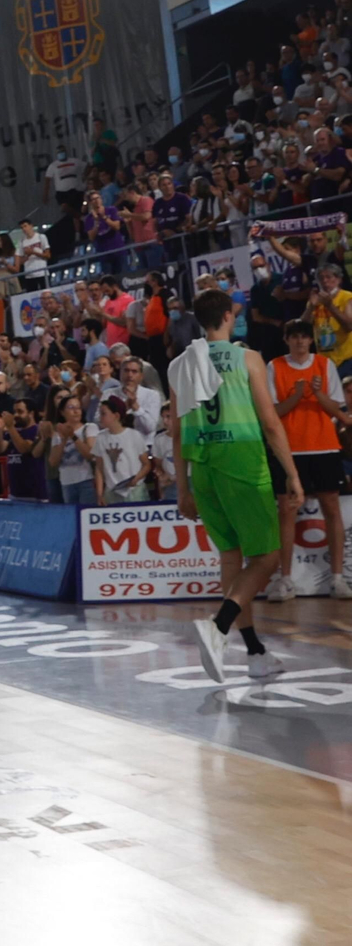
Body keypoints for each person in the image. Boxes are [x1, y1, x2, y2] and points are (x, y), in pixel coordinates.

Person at [173, 288, 303, 685]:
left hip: (203, 468)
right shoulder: (247, 358)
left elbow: (176, 433)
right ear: (229, 316)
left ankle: (255, 653)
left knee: (231, 556)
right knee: (266, 557)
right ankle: (219, 626)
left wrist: (182, 489)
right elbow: (269, 421)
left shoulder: (180, 363)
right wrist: (292, 474)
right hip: (242, 461)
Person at [265, 320, 352, 601]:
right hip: (288, 450)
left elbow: (336, 409)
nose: (301, 342)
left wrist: (316, 394)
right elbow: (273, 412)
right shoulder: (274, 366)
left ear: (311, 340)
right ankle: (286, 580)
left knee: (332, 509)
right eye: (295, 337)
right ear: (286, 339)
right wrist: (297, 396)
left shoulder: (325, 366)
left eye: (304, 337)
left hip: (324, 447)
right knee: (287, 512)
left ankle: (338, 579)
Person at [92, 397, 152, 504]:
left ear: (116, 416)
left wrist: (136, 478)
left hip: (134, 490)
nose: (100, 417)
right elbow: (99, 469)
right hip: (112, 490)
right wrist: (100, 494)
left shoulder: (134, 435)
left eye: (103, 414)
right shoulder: (100, 438)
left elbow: (146, 464)